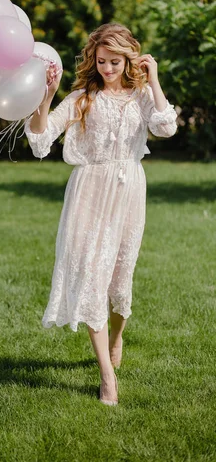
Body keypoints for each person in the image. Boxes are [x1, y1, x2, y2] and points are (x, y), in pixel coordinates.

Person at [24, 23, 178, 406]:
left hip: (129, 190)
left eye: (114, 61)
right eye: (101, 61)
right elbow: (42, 141)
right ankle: (106, 377)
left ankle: (117, 335)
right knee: (91, 276)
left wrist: (154, 77)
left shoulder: (142, 95)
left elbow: (166, 127)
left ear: (128, 59)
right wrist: (44, 100)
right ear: (92, 60)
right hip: (89, 191)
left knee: (119, 281)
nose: (107, 68)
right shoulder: (82, 97)